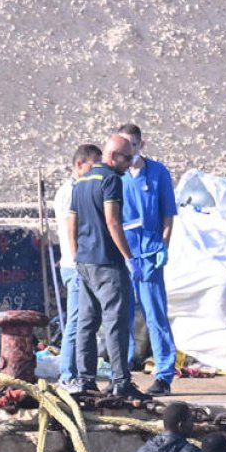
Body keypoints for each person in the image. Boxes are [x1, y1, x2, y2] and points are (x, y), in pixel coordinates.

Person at [64, 134, 149, 400]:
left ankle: (86, 379)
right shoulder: (111, 180)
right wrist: (128, 257)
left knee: (87, 323)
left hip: (85, 262)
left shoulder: (81, 182)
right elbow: (113, 222)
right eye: (127, 158)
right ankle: (121, 381)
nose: (130, 163)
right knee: (116, 322)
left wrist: (77, 257)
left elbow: (72, 224)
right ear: (113, 156)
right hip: (107, 262)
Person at [117, 124, 178, 396]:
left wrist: (163, 246)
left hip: (149, 252)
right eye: (123, 145)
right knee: (123, 315)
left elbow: (168, 214)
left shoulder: (158, 173)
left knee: (155, 315)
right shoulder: (116, 177)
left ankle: (164, 374)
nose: (128, 151)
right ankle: (123, 370)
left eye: (132, 145)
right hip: (124, 254)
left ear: (141, 145)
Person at [53, 144, 101, 385]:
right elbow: (74, 229)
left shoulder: (78, 189)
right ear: (79, 164)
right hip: (76, 265)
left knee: (84, 320)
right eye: (93, 165)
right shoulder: (71, 192)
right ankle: (68, 374)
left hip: (77, 263)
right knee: (76, 320)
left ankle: (76, 372)